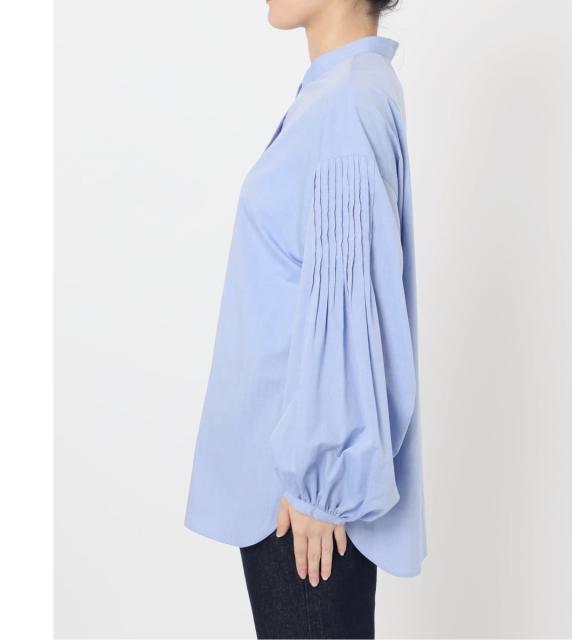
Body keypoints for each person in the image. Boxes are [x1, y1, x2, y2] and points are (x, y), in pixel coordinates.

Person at [184, 0, 427, 637]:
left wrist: (322, 485)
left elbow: (351, 305)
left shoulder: (346, 102)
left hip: (301, 501)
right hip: (294, 485)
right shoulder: (340, 90)